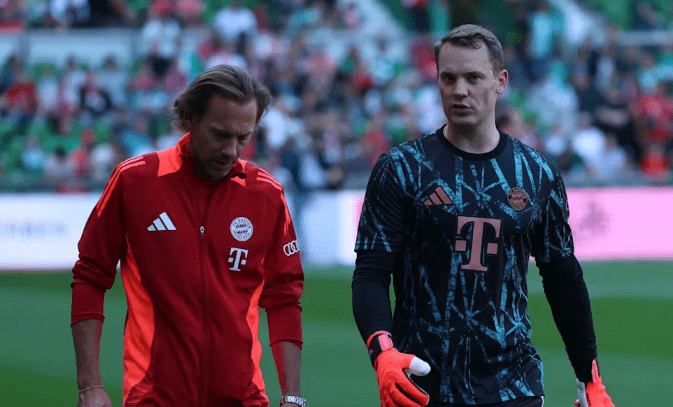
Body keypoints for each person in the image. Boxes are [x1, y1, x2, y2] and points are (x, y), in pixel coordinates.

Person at [352, 25, 615, 407]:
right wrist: (383, 353)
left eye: (473, 78)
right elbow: (371, 273)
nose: (460, 90)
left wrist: (589, 377)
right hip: (422, 386)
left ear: (500, 81)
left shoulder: (537, 173)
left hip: (514, 386)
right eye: (449, 78)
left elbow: (563, 278)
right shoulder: (401, 168)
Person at [71, 64, 306, 407]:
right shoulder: (135, 181)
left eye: (244, 137)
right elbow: (90, 277)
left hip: (244, 399)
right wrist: (89, 386)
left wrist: (293, 397)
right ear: (189, 118)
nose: (232, 150)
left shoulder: (266, 194)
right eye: (221, 134)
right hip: (153, 398)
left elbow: (284, 297)